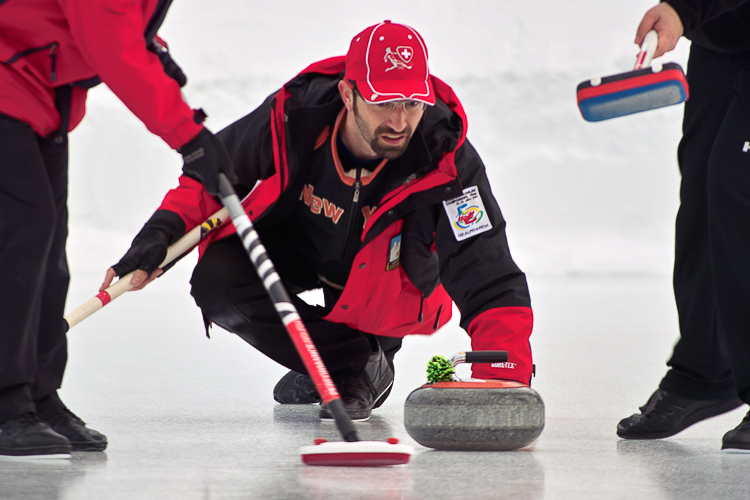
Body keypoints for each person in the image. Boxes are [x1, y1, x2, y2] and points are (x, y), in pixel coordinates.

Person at [103, 20, 534, 421]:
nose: (400, 121)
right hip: (306, 250)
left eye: (411, 102)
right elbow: (212, 177)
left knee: (423, 282)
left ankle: (358, 362)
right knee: (218, 282)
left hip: (390, 288)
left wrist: (505, 367)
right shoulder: (295, 114)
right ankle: (350, 362)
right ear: (348, 94)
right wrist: (159, 234)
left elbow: (487, 268)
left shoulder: (446, 156)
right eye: (383, 102)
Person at [0, 0, 233, 457]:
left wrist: (151, 44)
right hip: (10, 82)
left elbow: (111, 24)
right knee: (21, 239)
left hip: (37, 91)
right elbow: (111, 44)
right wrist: (189, 137)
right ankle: (6, 402)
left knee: (45, 248)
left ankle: (37, 396)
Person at [616, 0, 750, 452]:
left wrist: (683, 9)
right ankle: (705, 372)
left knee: (737, 187)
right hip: (722, 34)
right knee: (701, 198)